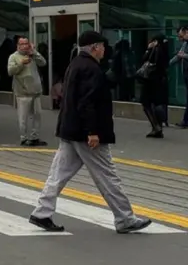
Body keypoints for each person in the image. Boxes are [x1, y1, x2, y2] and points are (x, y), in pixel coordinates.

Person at [29, 31, 151, 234]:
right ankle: (125, 218)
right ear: (94, 47)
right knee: (107, 175)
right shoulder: (91, 69)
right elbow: (88, 102)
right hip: (86, 133)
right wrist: (93, 131)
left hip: (70, 130)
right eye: (102, 46)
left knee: (58, 174)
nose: (104, 50)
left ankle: (42, 212)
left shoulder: (76, 64)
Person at [8, 36, 48, 147]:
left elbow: (43, 63)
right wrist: (21, 63)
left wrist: (34, 52)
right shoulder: (13, 57)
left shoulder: (33, 55)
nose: (25, 46)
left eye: (27, 43)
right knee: (23, 117)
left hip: (35, 91)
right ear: (18, 46)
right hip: (23, 92)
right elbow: (10, 71)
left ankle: (35, 137)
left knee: (37, 115)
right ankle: (23, 138)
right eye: (22, 44)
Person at [138, 35, 170, 139]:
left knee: (146, 103)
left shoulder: (155, 50)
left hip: (150, 80)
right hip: (161, 81)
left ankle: (156, 126)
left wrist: (148, 49)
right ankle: (159, 127)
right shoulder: (165, 50)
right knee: (158, 103)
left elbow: (145, 60)